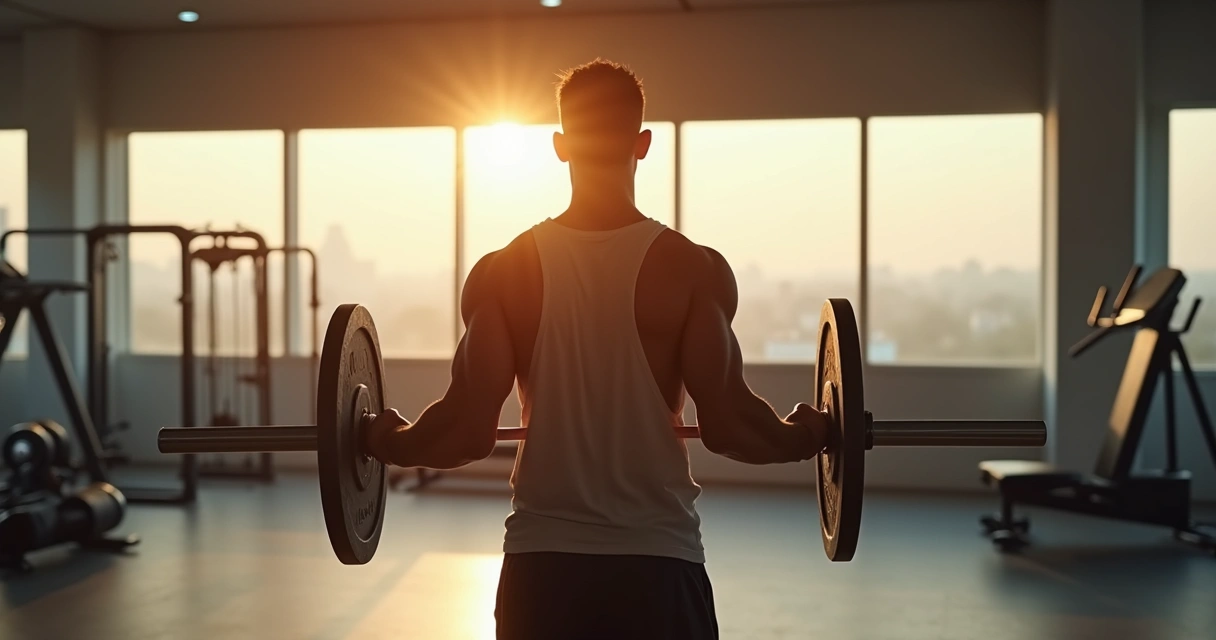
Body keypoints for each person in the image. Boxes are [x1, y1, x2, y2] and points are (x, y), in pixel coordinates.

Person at [364, 59, 832, 640]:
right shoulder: (692, 270)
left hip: (544, 568)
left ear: (561, 146)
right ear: (643, 144)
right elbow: (733, 427)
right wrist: (809, 434)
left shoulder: (504, 273)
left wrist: (383, 438)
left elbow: (462, 433)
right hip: (658, 562)